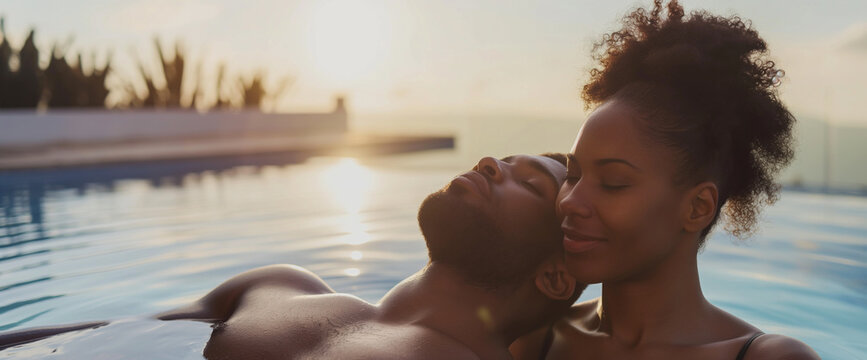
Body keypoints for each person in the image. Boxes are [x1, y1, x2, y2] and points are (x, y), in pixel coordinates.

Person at [0, 154, 585, 360]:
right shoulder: (279, 286)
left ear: (556, 274)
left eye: (528, 183)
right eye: (504, 159)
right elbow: (79, 335)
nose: (489, 163)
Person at [511, 1, 821, 359]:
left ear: (697, 207)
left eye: (613, 182)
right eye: (573, 174)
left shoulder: (767, 358)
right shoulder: (536, 338)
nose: (569, 201)